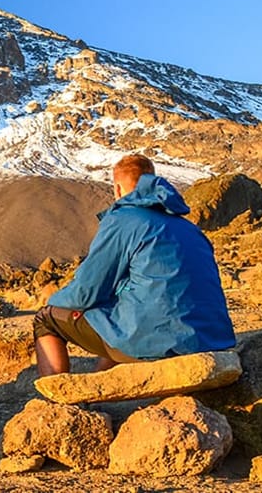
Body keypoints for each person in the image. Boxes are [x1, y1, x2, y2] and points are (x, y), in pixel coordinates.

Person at [33, 154, 236, 376]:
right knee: (118, 311)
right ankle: (101, 383)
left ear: (117, 189)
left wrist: (53, 304)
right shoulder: (188, 228)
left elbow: (86, 292)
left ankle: (56, 399)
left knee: (46, 319)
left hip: (158, 341)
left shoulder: (124, 220)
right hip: (212, 339)